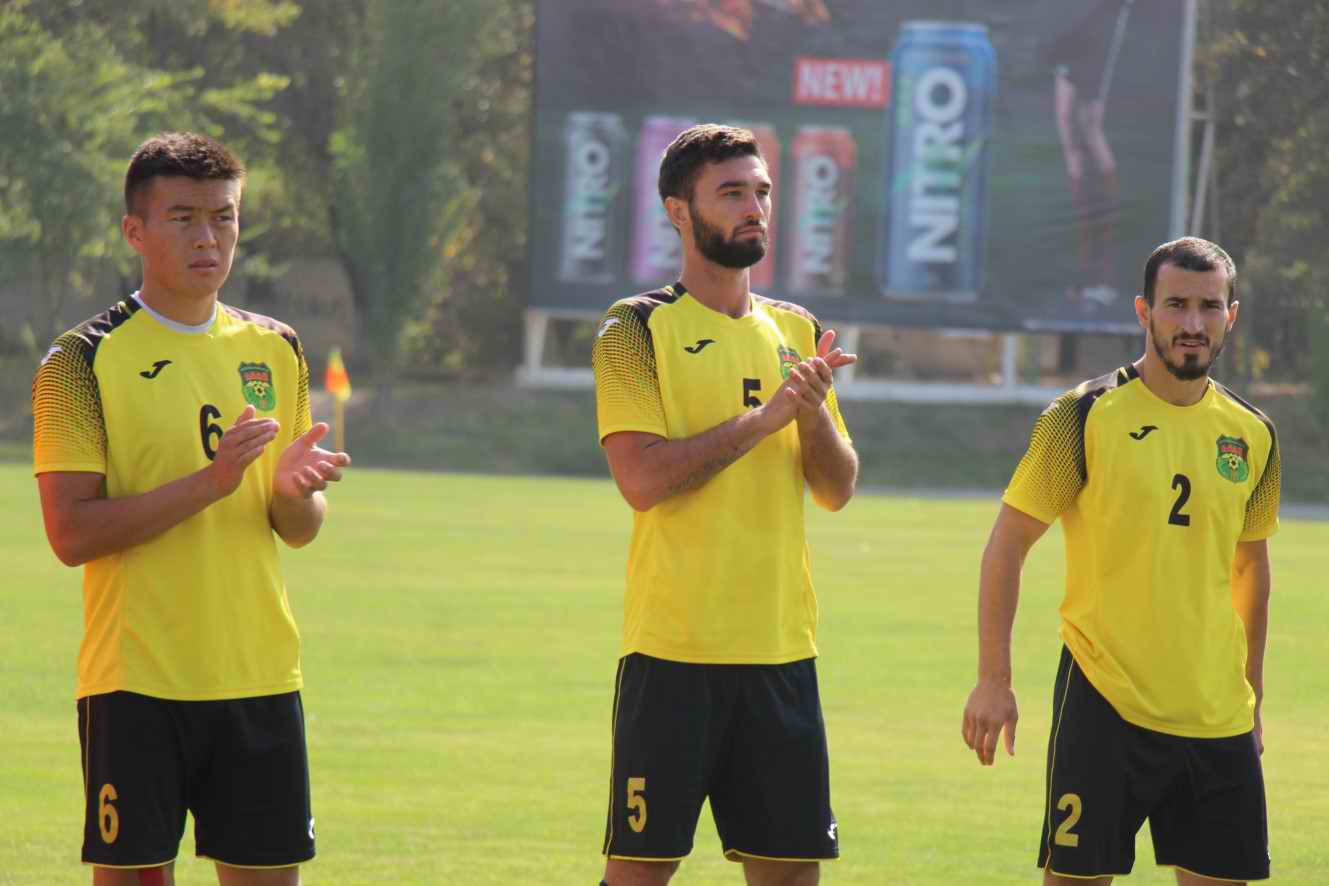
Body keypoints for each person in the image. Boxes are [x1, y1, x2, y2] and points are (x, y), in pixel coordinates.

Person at [32, 132, 351, 886]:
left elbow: (298, 531)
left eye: (223, 216)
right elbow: (70, 533)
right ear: (135, 231)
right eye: (182, 218)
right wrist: (209, 483)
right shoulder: (80, 360)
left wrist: (292, 494)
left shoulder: (275, 347)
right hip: (138, 681)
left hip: (261, 674)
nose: (208, 237)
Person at [962, 237, 1278, 885]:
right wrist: (994, 679)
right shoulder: (1081, 416)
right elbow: (1008, 544)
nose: (1192, 324)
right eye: (1176, 305)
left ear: (1230, 316)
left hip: (1216, 713)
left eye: (1208, 307)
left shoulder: (1252, 433)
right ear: (1143, 311)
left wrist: (1252, 696)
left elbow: (1251, 569)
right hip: (1104, 704)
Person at [591, 124, 858, 886]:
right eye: (732, 193)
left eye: (761, 192)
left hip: (780, 654)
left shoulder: (796, 330)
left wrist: (810, 414)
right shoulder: (634, 328)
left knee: (792, 874)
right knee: (640, 872)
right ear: (679, 211)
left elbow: (836, 488)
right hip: (674, 654)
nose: (754, 209)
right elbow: (641, 480)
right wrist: (761, 421)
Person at [1045, 0, 1136, 308]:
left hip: (1092, 39)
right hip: (1069, 41)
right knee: (1068, 127)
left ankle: (1101, 277)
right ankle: (1087, 275)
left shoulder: (1103, 24)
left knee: (1089, 127)